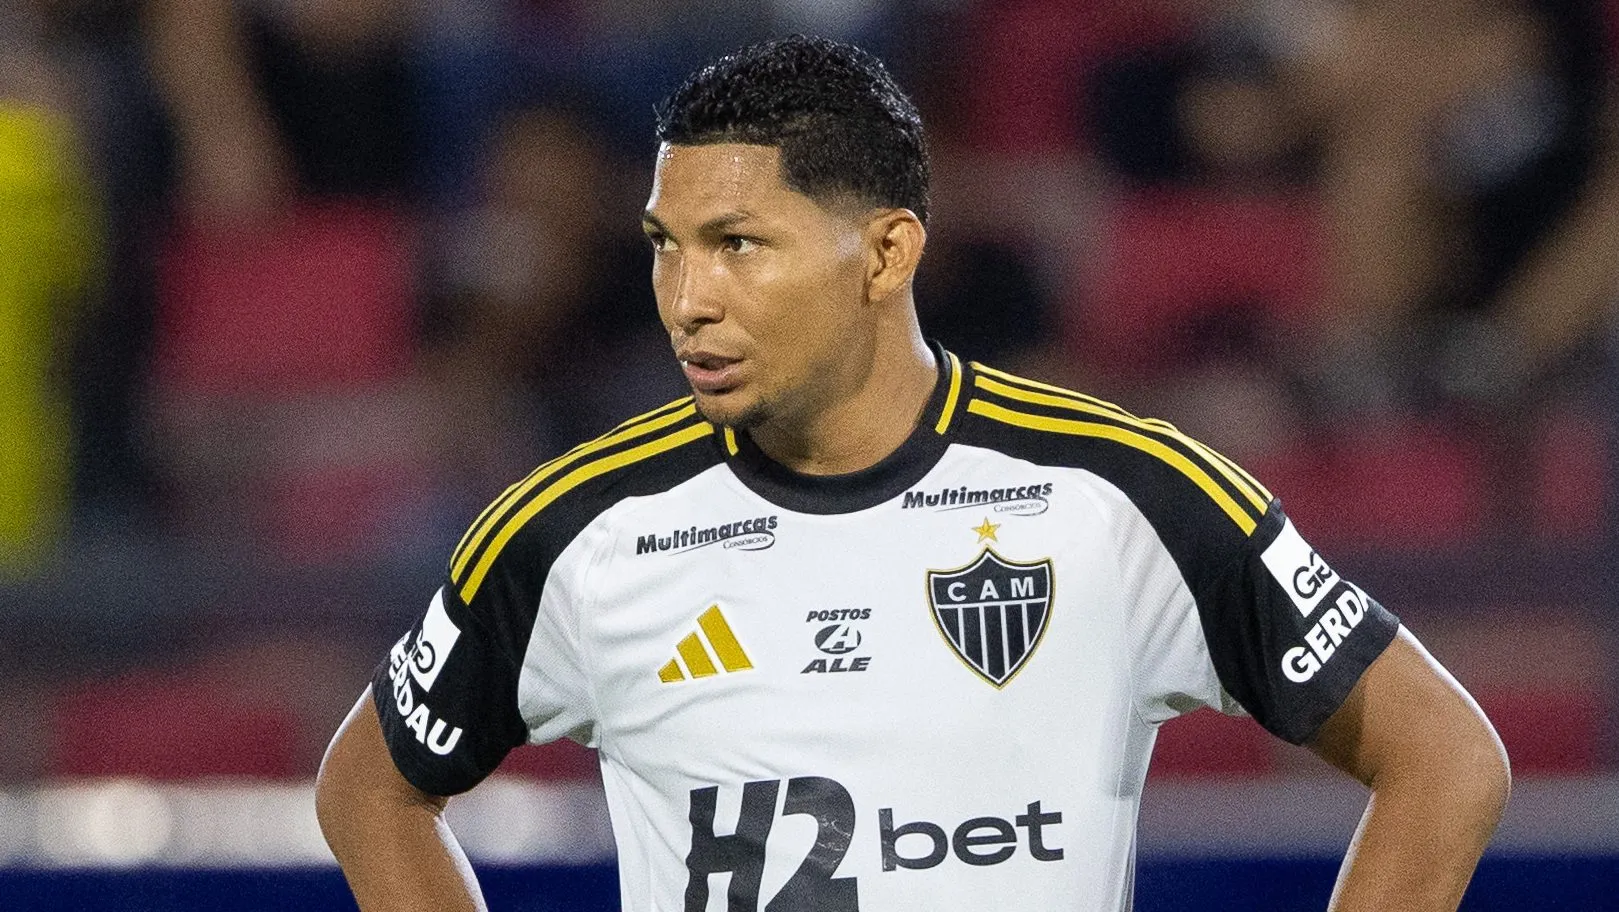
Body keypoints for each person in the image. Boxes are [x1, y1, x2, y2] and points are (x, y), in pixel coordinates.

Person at [315, 35, 1510, 912]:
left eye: (738, 245)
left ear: (887, 251)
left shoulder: (1119, 500)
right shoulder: (574, 532)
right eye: (664, 249)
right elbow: (369, 789)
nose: (688, 299)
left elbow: (1442, 759)